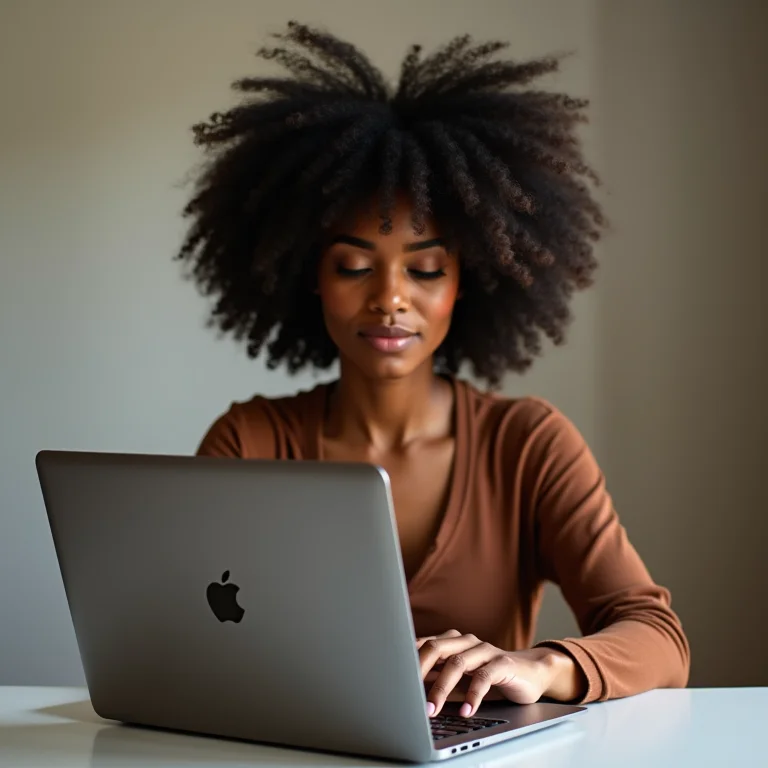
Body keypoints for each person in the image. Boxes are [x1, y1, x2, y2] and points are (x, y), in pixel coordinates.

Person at [177, 21, 690, 719]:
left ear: (465, 283)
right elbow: (182, 638)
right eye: (354, 266)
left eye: (424, 268)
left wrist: (541, 665)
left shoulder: (526, 445)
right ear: (309, 280)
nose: (390, 298)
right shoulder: (250, 441)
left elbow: (660, 638)